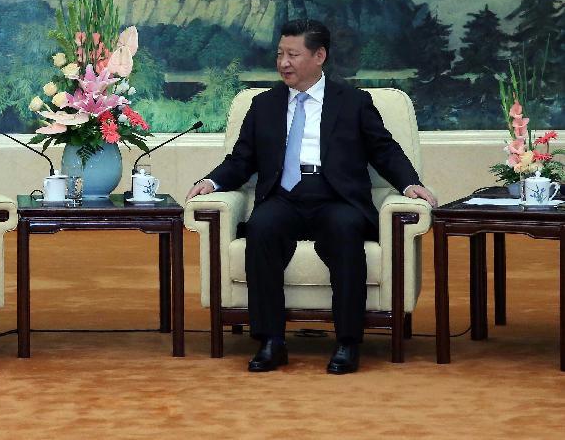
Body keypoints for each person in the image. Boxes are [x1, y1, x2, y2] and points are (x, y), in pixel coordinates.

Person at [186, 19, 436, 375]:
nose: (283, 63)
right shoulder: (264, 105)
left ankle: (348, 342)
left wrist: (411, 184)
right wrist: (211, 182)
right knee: (261, 229)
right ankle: (271, 340)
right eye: (279, 54)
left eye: (293, 54)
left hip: (336, 197)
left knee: (346, 231)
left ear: (319, 56)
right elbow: (242, 160)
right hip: (284, 196)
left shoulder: (353, 102)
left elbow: (384, 150)